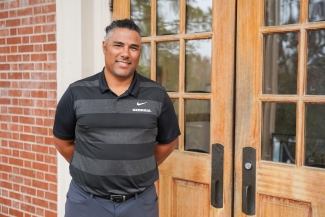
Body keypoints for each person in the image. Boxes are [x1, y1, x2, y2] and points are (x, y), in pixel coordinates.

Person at [53, 19, 180, 217]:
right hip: (86, 202)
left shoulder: (156, 94)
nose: (125, 54)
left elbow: (169, 142)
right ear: (105, 47)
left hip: (139, 203)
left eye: (133, 48)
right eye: (118, 45)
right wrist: (88, 166)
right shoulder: (76, 92)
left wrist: (139, 166)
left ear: (139, 52)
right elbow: (62, 141)